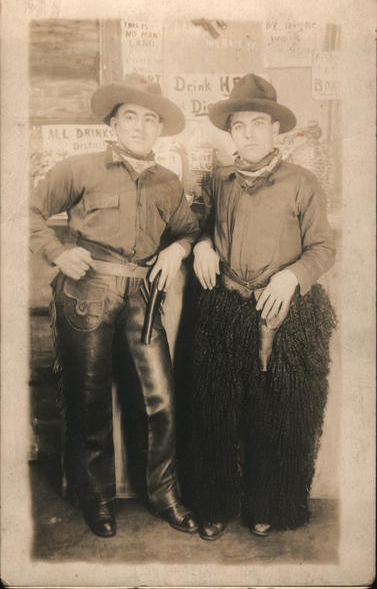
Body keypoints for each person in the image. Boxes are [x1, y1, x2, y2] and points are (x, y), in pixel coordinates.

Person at [30, 73, 199, 538]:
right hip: (86, 295)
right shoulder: (80, 168)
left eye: (150, 119)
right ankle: (98, 500)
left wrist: (177, 249)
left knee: (160, 402)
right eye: (131, 117)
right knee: (89, 405)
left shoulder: (168, 182)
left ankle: (164, 495)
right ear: (113, 122)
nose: (141, 127)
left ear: (159, 128)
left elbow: (187, 230)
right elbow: (25, 210)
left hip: (143, 300)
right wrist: (59, 252)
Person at [191, 73, 337, 541]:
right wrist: (200, 245)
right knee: (216, 410)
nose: (249, 133)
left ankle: (268, 503)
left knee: (275, 413)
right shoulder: (218, 181)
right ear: (230, 133)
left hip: (284, 313)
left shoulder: (303, 183)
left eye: (258, 123)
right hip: (227, 306)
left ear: (277, 130)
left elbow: (322, 248)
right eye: (239, 125)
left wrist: (292, 276)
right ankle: (214, 504)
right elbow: (198, 224)